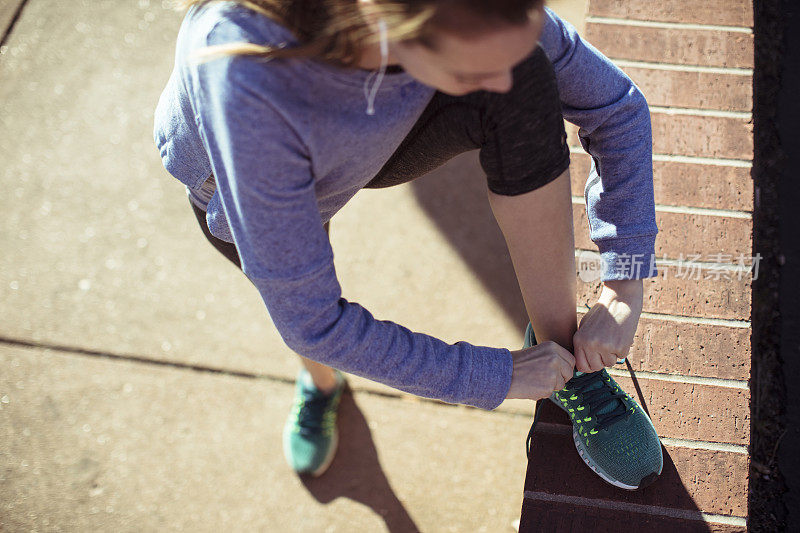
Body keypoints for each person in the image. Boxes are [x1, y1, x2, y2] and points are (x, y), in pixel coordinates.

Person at [153, 0, 663, 489]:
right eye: (476, 66)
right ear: (399, 23)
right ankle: (322, 385)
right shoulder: (248, 83)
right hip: (254, 183)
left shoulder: (466, 12)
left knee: (528, 81)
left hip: (390, 108)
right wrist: (496, 376)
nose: (500, 82)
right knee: (300, 318)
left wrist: (625, 283)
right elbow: (315, 323)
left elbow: (617, 109)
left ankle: (562, 355)